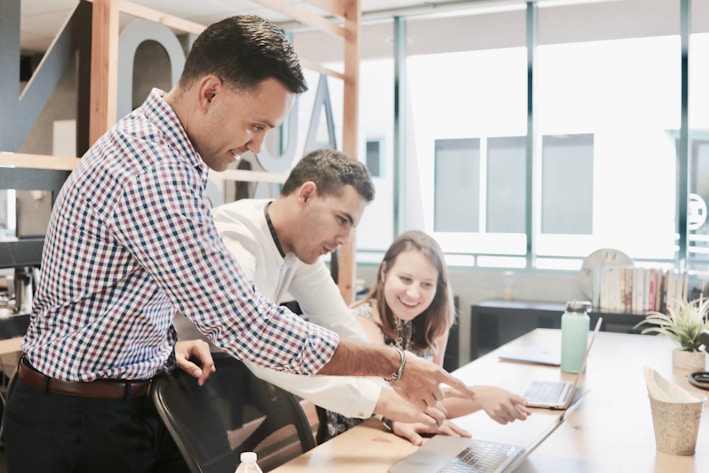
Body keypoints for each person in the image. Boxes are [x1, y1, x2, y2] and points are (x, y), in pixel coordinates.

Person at [4, 15, 475, 473]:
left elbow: (120, 290)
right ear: (210, 92)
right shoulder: (154, 173)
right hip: (75, 422)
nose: (257, 146)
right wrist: (392, 365)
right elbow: (245, 323)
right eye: (257, 125)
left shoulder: (171, 154)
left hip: (126, 397)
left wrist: (164, 346)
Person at [200, 148, 445, 438]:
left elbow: (340, 325)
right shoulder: (235, 234)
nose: (345, 239)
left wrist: (390, 410)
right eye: (342, 220)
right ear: (306, 194)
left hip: (211, 383)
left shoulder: (300, 252)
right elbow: (259, 342)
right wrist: (383, 399)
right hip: (164, 385)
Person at [320, 230, 532, 445]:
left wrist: (482, 399)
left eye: (426, 284)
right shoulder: (362, 322)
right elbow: (389, 401)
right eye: (405, 279)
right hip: (356, 441)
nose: (413, 293)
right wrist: (479, 394)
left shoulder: (436, 324)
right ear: (384, 272)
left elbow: (433, 402)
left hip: (405, 438)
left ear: (438, 287)